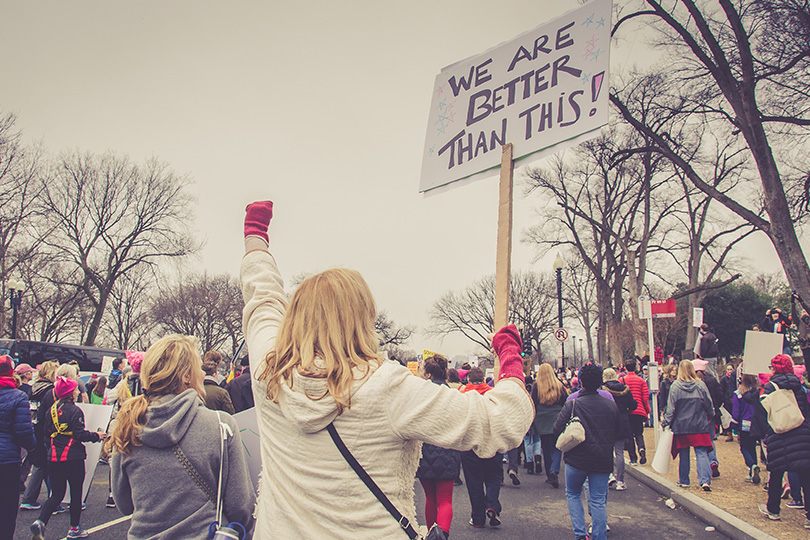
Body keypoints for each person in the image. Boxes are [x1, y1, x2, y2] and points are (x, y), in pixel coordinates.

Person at [239, 200, 533, 539]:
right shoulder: (387, 386)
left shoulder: (269, 372)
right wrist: (510, 356)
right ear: (364, 318)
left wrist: (255, 238)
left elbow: (261, 297)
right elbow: (501, 424)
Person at [110, 334, 256, 539]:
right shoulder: (220, 425)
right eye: (199, 367)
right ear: (186, 376)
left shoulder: (126, 425)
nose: (202, 373)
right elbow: (240, 506)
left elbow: (125, 504)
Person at [30, 376, 106, 540]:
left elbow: (46, 433)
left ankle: (40, 522)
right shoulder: (75, 411)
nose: (78, 391)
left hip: (54, 457)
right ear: (71, 393)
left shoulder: (51, 410)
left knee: (56, 494)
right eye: (76, 389)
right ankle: (74, 528)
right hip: (73, 457)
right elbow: (79, 434)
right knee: (76, 493)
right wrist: (96, 436)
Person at [553, 363, 619, 540]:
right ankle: (599, 535)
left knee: (573, 493)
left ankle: (580, 533)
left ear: (580, 382)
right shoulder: (611, 405)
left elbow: (557, 428)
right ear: (600, 382)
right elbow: (620, 432)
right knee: (598, 500)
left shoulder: (573, 404)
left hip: (577, 458)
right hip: (602, 458)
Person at [758, 354, 810, 525]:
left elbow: (763, 412)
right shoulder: (799, 386)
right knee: (806, 476)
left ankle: (773, 509)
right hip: (800, 432)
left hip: (779, 432)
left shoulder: (770, 387)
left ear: (775, 368)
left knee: (776, 473)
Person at [415, 356, 462, 538]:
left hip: (425, 448)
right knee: (445, 500)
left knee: (430, 499)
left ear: (427, 374)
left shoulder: (421, 394)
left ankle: (430, 533)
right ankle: (442, 534)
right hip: (447, 448)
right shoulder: (452, 394)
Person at [662, 360, 714, 491]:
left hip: (682, 424)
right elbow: (708, 403)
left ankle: (684, 480)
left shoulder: (675, 386)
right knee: (701, 452)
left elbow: (671, 408)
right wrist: (710, 415)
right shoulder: (700, 385)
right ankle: (705, 481)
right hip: (699, 423)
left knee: (684, 453)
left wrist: (666, 422)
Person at [0, 356, 36, 540]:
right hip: (7, 460)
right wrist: (32, 448)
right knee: (7, 506)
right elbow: (23, 430)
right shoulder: (18, 396)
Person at [20, 361, 60, 512]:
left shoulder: (33, 388)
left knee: (39, 464)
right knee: (45, 465)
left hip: (33, 428)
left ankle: (31, 498)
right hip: (45, 431)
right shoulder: (50, 390)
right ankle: (48, 500)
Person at [530, 363, 568, 488]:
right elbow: (565, 402)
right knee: (557, 447)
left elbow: (533, 403)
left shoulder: (536, 387)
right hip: (557, 418)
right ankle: (554, 469)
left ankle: (549, 474)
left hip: (542, 420)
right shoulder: (559, 386)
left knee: (545, 448)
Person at [602, 367, 637, 491]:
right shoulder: (625, 389)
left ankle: (610, 475)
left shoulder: (603, 390)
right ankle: (620, 480)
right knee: (619, 452)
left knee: (608, 450)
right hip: (622, 420)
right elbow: (633, 405)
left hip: (607, 421)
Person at [730, 374, 765, 483]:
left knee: (744, 447)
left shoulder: (738, 394)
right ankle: (753, 470)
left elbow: (736, 411)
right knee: (752, 446)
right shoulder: (756, 393)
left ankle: (752, 466)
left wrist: (733, 424)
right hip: (754, 423)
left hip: (743, 423)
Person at [694, 359, 723, 477]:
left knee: (700, 444)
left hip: (698, 416)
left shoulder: (694, 383)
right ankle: (713, 461)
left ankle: (705, 468)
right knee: (710, 439)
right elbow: (720, 396)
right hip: (712, 414)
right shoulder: (712, 380)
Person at [622, 359, 650, 464]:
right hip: (639, 410)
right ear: (635, 368)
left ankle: (633, 458)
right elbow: (645, 397)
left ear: (625, 368)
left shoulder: (622, 381)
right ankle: (642, 449)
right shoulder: (641, 380)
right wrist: (647, 410)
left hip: (627, 412)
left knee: (629, 436)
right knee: (639, 433)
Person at [720, 363, 737, 441]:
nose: (730, 371)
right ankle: (729, 434)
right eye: (728, 369)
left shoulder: (736, 378)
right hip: (727, 401)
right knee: (727, 418)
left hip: (734, 399)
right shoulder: (724, 379)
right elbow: (721, 390)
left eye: (731, 369)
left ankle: (738, 434)